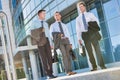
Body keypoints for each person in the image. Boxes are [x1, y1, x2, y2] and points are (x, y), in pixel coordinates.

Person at [76, 2, 106, 71]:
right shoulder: (78, 18)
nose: (80, 8)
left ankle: (102, 65)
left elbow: (96, 22)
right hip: (85, 35)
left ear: (84, 7)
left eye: (81, 6)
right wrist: (79, 38)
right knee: (89, 52)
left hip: (92, 32)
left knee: (97, 50)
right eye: (79, 7)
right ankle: (94, 67)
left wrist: (90, 24)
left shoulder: (90, 14)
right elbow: (78, 29)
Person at [31, 9, 56, 78]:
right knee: (43, 58)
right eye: (43, 13)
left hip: (47, 40)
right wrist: (40, 31)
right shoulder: (34, 23)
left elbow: (48, 34)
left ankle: (51, 73)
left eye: (45, 13)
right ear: (39, 15)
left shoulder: (46, 23)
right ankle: (48, 74)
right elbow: (32, 33)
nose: (45, 15)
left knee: (50, 57)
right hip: (40, 41)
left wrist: (51, 43)